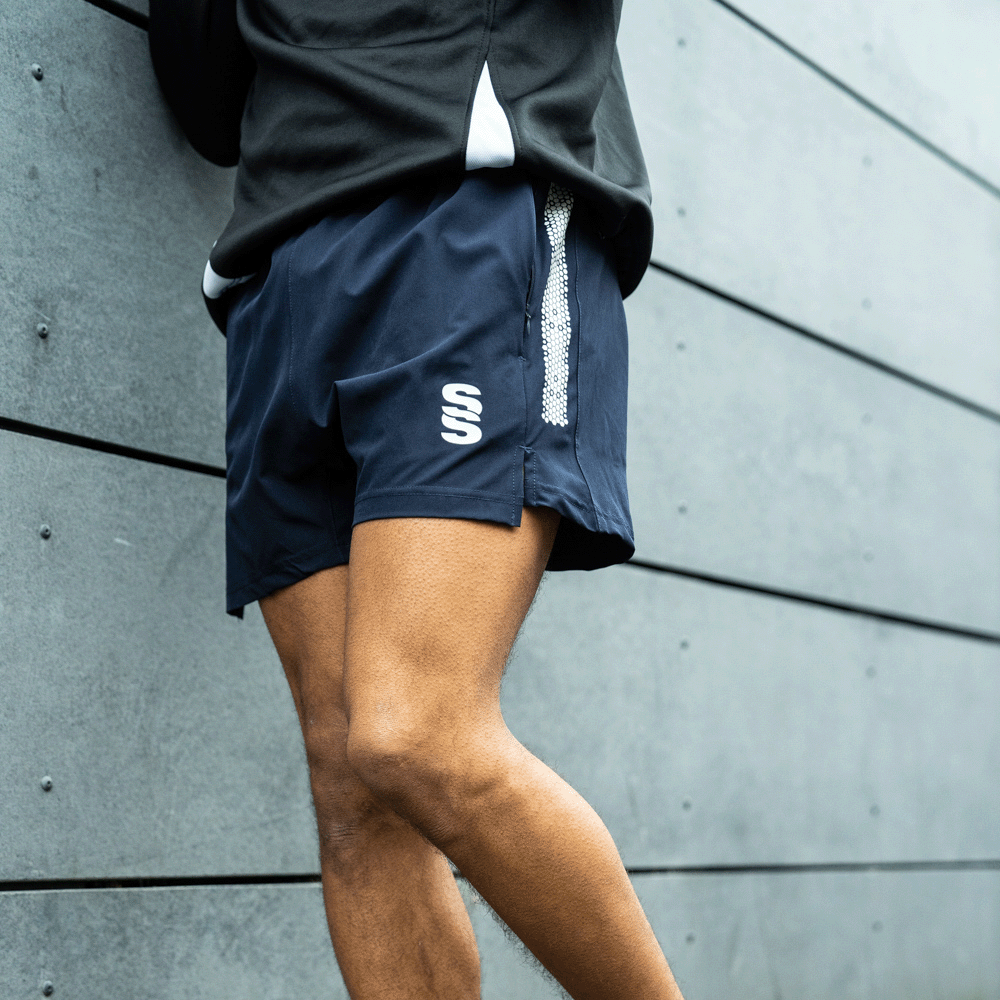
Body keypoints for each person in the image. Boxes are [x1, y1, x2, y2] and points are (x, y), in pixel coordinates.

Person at [149, 1, 685, 997]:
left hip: (462, 206)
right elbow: (208, 104)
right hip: (275, 270)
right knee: (351, 785)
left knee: (416, 730)